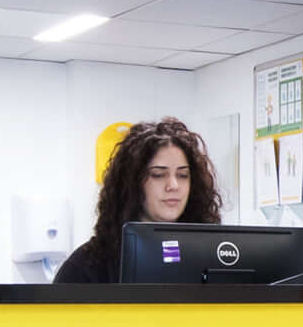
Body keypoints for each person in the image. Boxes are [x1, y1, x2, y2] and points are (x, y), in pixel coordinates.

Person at [52, 118, 224, 285]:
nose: (173, 185)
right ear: (131, 183)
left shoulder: (212, 258)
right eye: (158, 174)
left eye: (183, 175)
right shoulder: (86, 267)